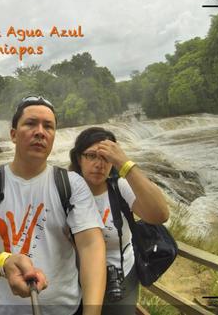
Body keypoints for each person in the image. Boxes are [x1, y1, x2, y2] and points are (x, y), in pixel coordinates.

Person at [0, 96, 107, 315]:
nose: (40, 132)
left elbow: (91, 247)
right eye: (30, 123)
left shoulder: (71, 184)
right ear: (13, 135)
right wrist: (4, 262)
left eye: (48, 126)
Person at [69, 127, 170, 315]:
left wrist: (125, 164)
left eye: (106, 158)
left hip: (120, 277)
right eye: (91, 156)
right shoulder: (65, 189)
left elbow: (160, 214)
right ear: (78, 159)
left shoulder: (119, 188)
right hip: (76, 278)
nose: (99, 164)